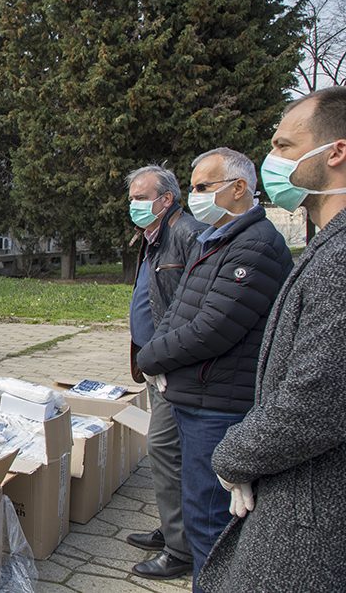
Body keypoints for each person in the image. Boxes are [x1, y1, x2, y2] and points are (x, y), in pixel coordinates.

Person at [198, 87, 346, 592]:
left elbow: (314, 402)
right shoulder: (326, 245)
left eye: (284, 146)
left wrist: (234, 455)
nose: (272, 160)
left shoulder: (340, 259)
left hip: (310, 512)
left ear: (335, 151)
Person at [137, 148, 293, 592]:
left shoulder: (256, 245)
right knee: (199, 508)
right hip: (197, 398)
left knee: (211, 524)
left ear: (238, 188)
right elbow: (178, 309)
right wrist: (157, 353)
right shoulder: (216, 239)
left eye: (204, 187)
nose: (195, 196)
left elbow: (212, 327)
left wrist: (151, 359)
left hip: (219, 406)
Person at [125, 164, 204, 580]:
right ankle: (174, 528)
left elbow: (192, 308)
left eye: (141, 197)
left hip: (175, 368)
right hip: (158, 367)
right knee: (167, 453)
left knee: (165, 450)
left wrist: (164, 357)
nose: (134, 205)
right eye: (132, 198)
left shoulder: (186, 235)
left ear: (166, 199)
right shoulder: (154, 237)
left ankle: (182, 550)